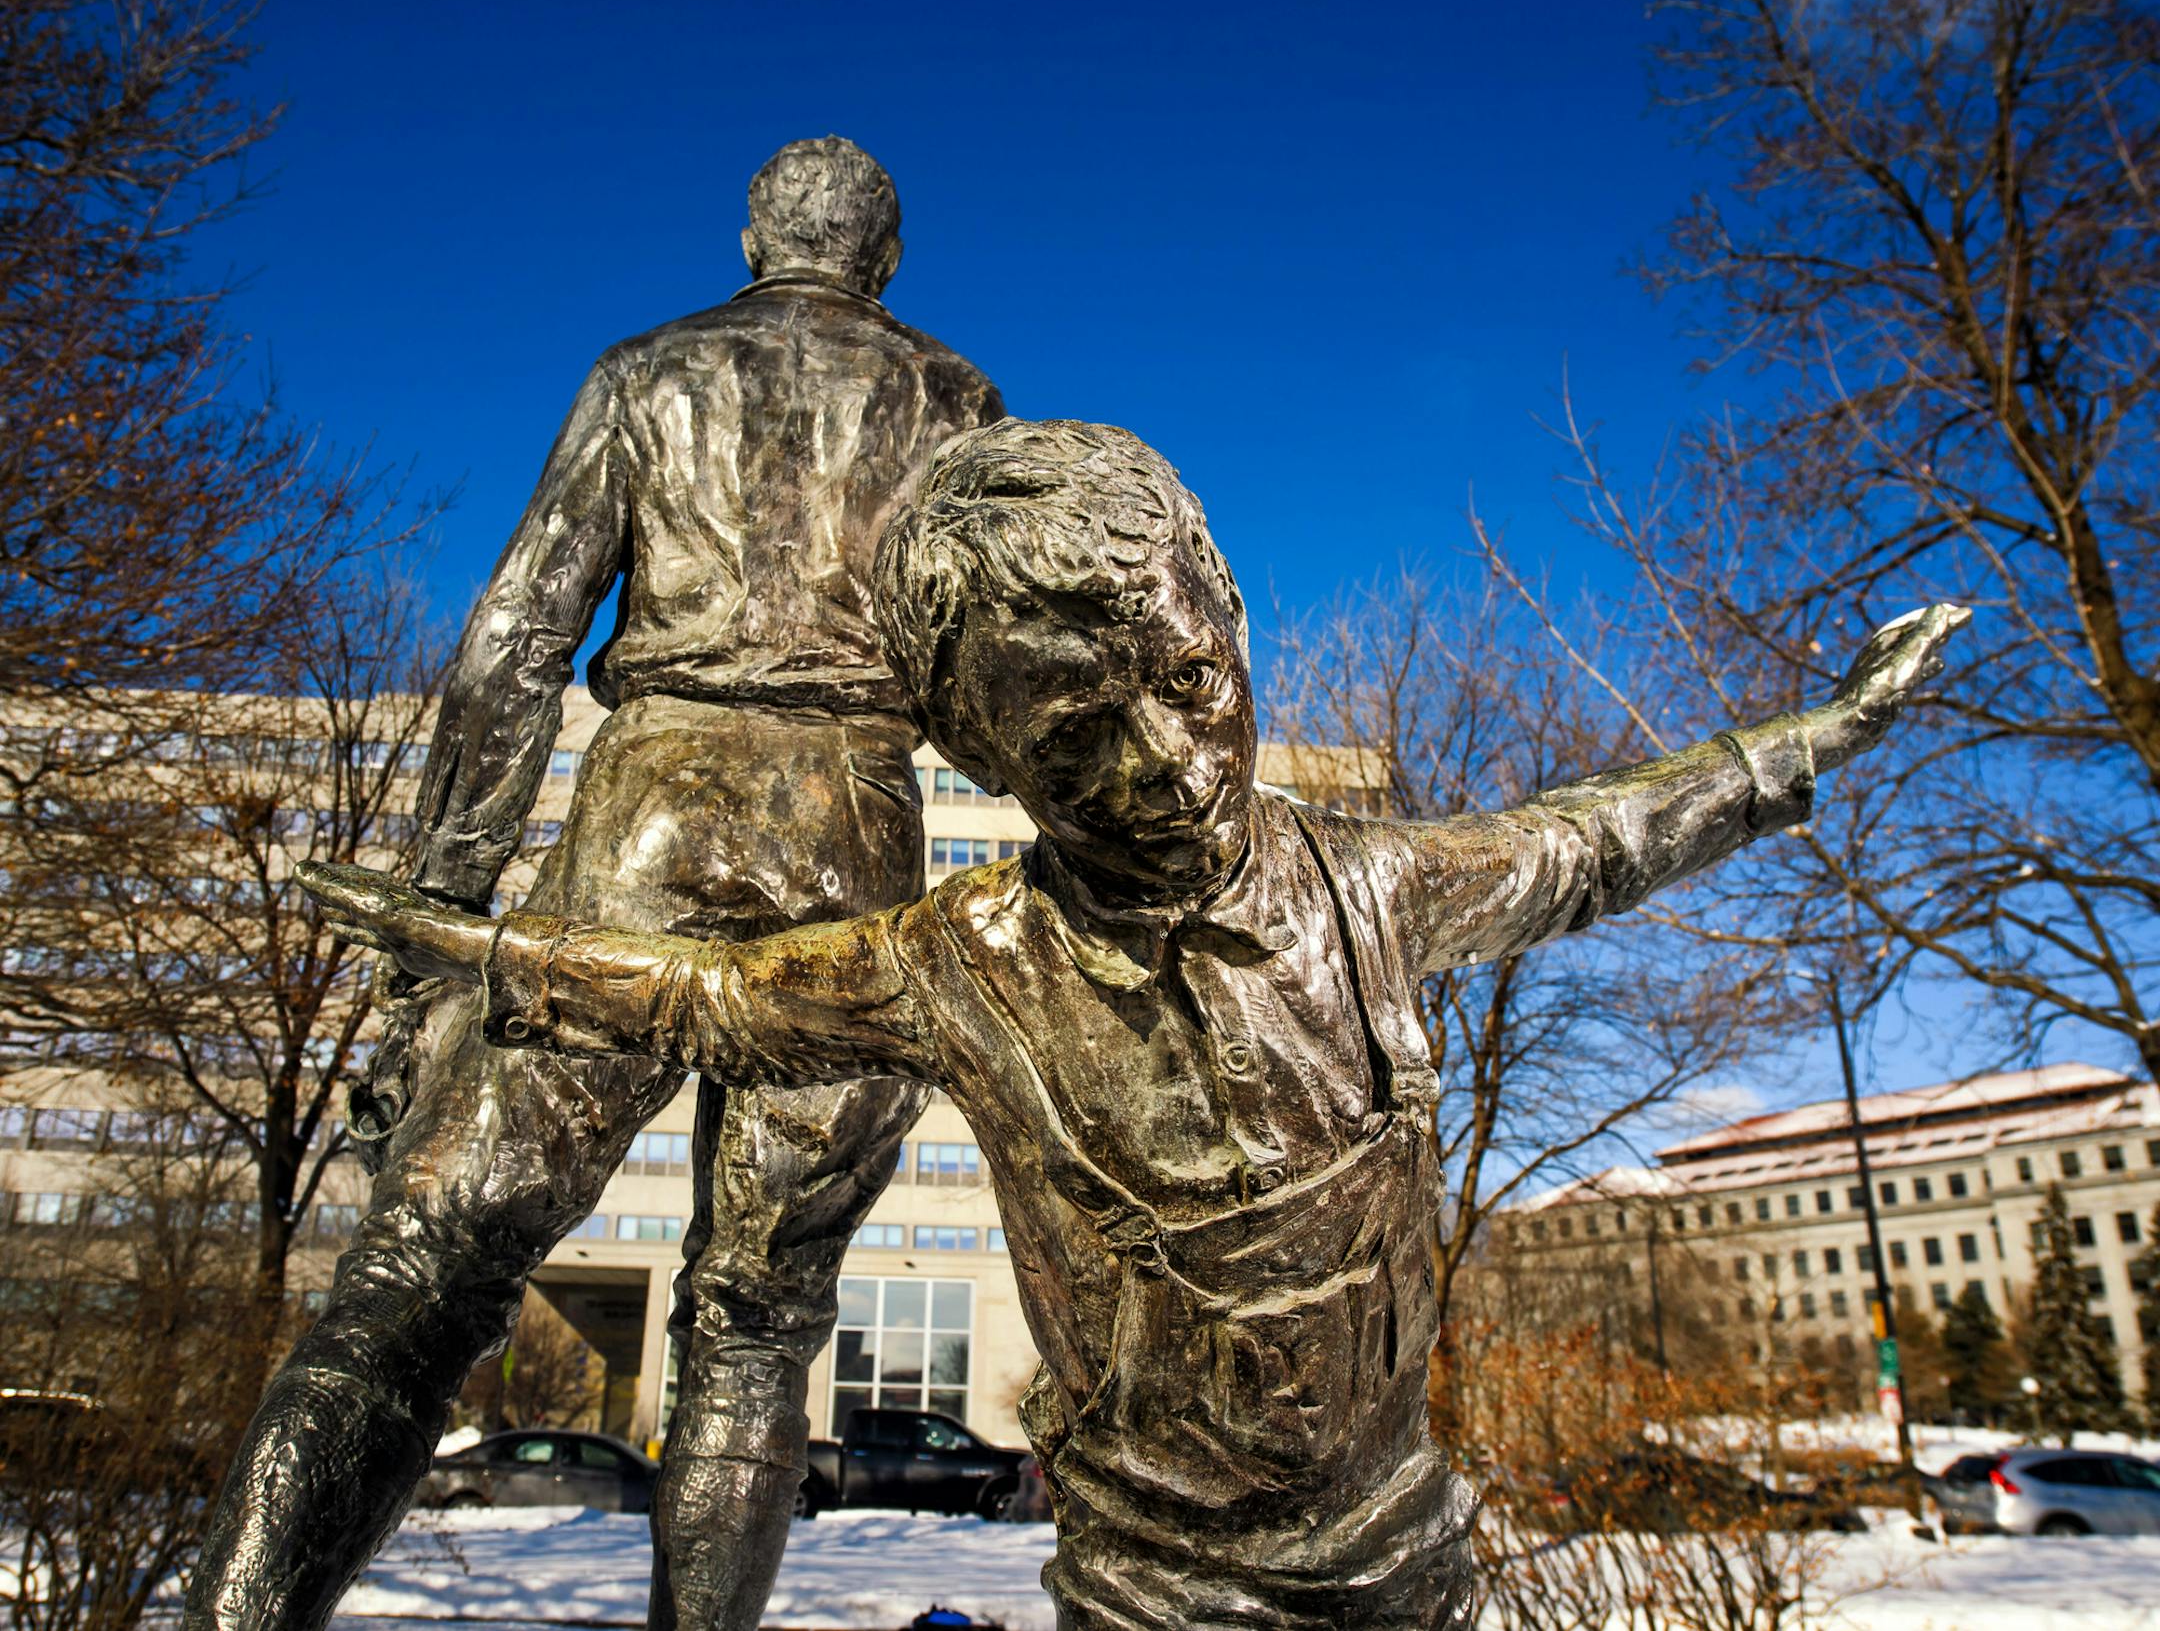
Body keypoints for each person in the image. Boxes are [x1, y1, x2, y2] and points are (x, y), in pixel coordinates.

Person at [302, 416, 1968, 1630]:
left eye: (1185, 682)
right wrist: (484, 952)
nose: (1166, 763)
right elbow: (716, 998)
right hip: (1157, 1599)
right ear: (985, 756)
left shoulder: (1378, 888)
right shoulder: (967, 959)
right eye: (1078, 737)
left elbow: (1612, 828)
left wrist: (1832, 723)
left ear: (1228, 615)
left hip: (1410, 1566)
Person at [186, 137, 1002, 1631]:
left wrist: (443, 915)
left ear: (754, 236)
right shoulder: (958, 408)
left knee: (419, 1275)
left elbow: (514, 642)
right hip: (857, 847)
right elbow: (997, 686)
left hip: (646, 823)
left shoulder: (645, 373)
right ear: (886, 260)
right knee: (756, 1335)